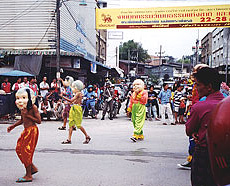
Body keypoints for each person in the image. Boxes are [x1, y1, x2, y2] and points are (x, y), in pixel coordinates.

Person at [185, 67, 224, 186]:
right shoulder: (226, 103)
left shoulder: (200, 107)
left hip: (204, 155)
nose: (196, 88)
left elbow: (189, 130)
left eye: (198, 85)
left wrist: (195, 132)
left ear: (209, 86)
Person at [7, 87, 41, 183]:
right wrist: (13, 126)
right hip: (26, 130)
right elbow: (22, 120)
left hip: (32, 131)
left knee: (27, 152)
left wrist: (28, 115)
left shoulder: (33, 107)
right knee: (18, 149)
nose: (19, 100)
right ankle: (32, 168)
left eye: (22, 97)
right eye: (18, 98)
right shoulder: (23, 108)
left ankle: (28, 175)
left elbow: (39, 121)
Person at [60, 80, 91, 144]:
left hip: (77, 109)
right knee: (71, 124)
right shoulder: (77, 93)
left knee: (78, 125)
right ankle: (69, 139)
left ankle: (87, 136)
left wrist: (63, 97)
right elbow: (73, 101)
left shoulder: (78, 93)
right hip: (74, 108)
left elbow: (71, 100)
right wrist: (67, 103)